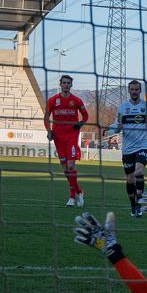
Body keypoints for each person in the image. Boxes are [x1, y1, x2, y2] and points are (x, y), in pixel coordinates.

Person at [108, 79, 147, 216]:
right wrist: (115, 129)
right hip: (127, 148)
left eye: (136, 89)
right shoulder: (122, 108)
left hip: (143, 145)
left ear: (140, 90)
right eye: (132, 89)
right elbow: (116, 127)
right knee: (130, 178)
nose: (134, 92)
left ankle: (139, 203)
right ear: (129, 90)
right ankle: (134, 205)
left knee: (138, 172)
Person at [44, 74, 88, 207]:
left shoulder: (77, 100)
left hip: (72, 136)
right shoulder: (52, 100)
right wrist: (49, 131)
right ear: (60, 84)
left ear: (71, 85)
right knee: (65, 171)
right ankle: (79, 191)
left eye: (68, 83)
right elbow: (46, 117)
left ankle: (71, 198)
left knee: (70, 166)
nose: (66, 85)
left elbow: (85, 115)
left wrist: (80, 123)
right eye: (64, 82)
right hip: (58, 137)